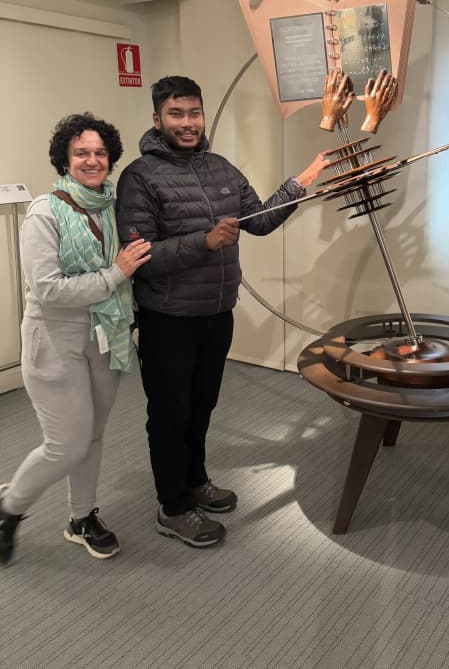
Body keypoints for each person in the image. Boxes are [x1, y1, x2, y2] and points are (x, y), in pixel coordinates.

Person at [115, 75, 329, 548]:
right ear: (157, 119)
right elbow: (139, 253)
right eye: (176, 114)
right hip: (167, 318)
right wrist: (205, 241)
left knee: (202, 406)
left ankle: (195, 482)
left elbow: (261, 221)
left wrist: (302, 181)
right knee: (170, 413)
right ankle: (172, 506)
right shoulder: (140, 176)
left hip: (217, 313)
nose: (187, 123)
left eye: (194, 113)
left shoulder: (221, 169)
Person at [0, 114, 151, 565]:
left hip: (106, 333)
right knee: (65, 443)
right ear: (65, 159)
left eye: (100, 152)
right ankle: (10, 507)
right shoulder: (46, 211)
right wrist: (115, 274)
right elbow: (47, 289)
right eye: (81, 152)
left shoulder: (113, 205)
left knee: (93, 435)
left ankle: (81, 517)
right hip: (55, 336)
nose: (92, 160)